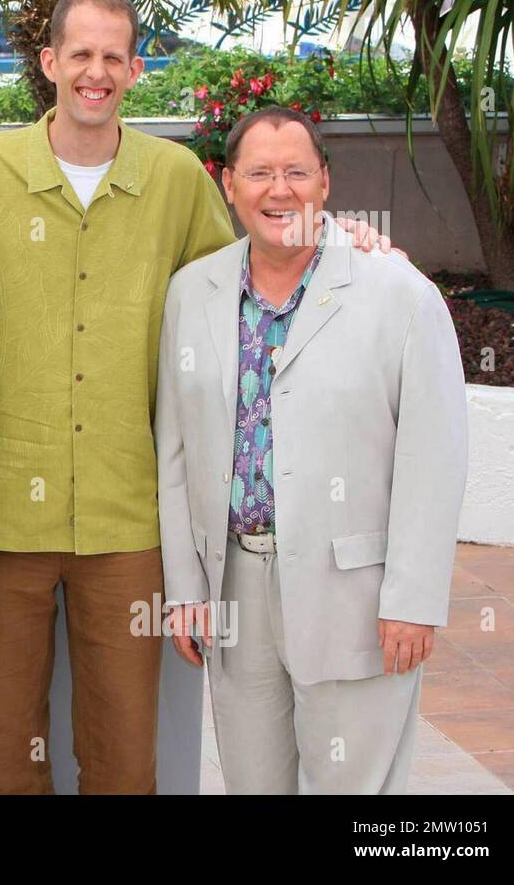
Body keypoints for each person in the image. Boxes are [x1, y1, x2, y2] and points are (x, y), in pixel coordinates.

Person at [0, 0, 402, 794]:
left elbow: (260, 268)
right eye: (80, 55)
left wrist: (342, 233)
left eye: (113, 56)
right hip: (2, 516)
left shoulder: (174, 179)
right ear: (48, 62)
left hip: (128, 515)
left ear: (136, 68)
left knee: (124, 753)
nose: (95, 73)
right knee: (3, 751)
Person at [156, 105, 468, 793]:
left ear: (325, 182)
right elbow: (174, 453)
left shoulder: (400, 295)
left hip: (353, 595)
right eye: (260, 173)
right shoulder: (192, 294)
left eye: (297, 171)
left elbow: (434, 457)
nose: (279, 190)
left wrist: (412, 598)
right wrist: (186, 589)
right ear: (228, 184)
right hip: (236, 592)